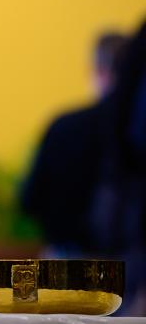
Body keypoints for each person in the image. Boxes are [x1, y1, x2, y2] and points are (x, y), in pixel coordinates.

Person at [22, 24, 146, 315]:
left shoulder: (65, 126)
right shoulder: (133, 133)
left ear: (98, 70)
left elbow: (29, 200)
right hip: (126, 271)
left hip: (62, 264)